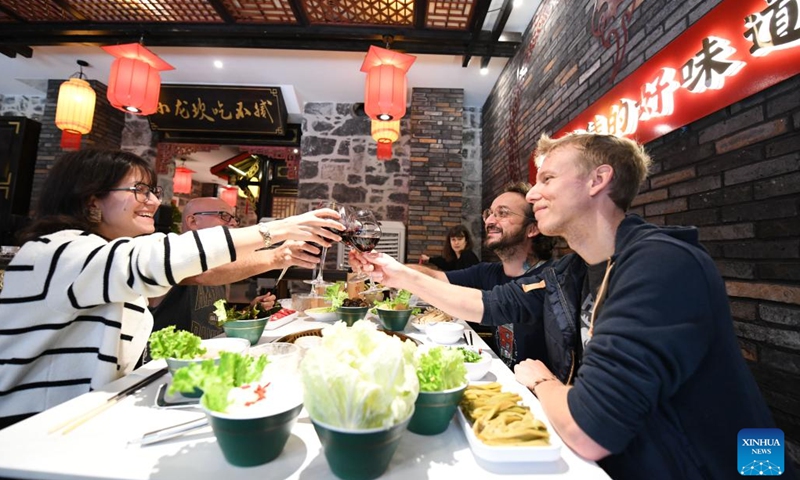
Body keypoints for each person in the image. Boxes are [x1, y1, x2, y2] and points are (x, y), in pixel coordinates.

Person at [353, 133, 781, 479]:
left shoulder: (661, 264)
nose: (534, 193)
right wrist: (395, 274)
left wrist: (542, 382)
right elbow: (487, 304)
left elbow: (589, 429)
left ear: (598, 180)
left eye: (548, 179)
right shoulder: (569, 271)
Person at [0, 149, 343, 428]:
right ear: (92, 200)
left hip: (87, 414)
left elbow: (195, 269)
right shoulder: (58, 252)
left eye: (153, 191)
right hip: (32, 428)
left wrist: (278, 253)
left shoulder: (101, 253)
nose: (152, 201)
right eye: (139, 191)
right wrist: (279, 230)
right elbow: (167, 260)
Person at [408, 182, 557, 365]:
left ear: (532, 228)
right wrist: (381, 265)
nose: (489, 221)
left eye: (502, 213)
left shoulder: (551, 279)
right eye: (489, 214)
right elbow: (436, 277)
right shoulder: (486, 272)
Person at [150, 197, 321, 339]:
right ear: (193, 221)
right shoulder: (169, 253)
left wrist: (250, 310)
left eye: (234, 218)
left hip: (212, 358)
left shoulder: (221, 261)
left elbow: (217, 321)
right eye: (224, 216)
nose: (233, 223)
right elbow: (203, 273)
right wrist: (276, 256)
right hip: (167, 369)